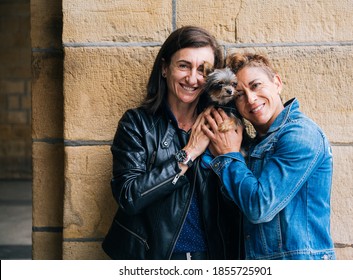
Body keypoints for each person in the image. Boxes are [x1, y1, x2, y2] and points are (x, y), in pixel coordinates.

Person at [102, 26, 242, 260]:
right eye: (183, 65)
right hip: (154, 257)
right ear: (165, 68)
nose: (192, 78)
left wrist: (231, 155)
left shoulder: (224, 123)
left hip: (212, 257)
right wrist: (188, 153)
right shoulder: (137, 124)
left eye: (202, 70)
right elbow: (129, 197)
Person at [202, 52, 336, 260]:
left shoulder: (300, 134)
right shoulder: (254, 144)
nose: (250, 98)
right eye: (239, 94)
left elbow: (259, 207)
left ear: (277, 83)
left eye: (256, 85)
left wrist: (229, 156)